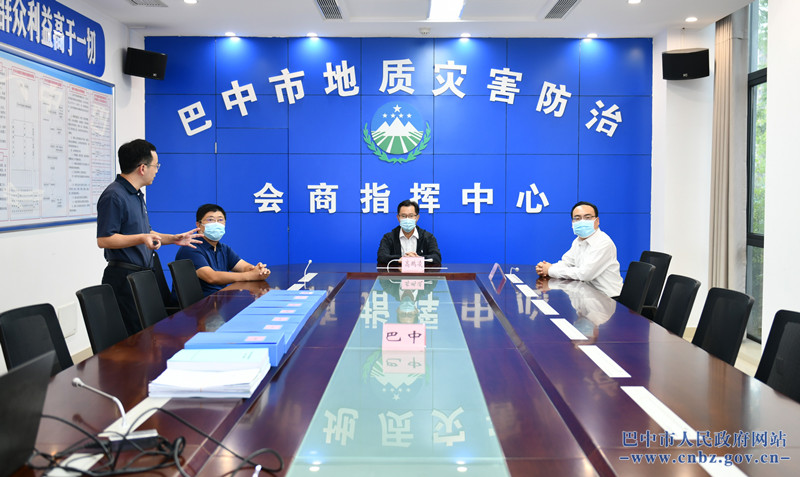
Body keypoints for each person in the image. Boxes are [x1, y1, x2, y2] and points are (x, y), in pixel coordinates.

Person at [97, 139, 201, 334]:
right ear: (142, 168)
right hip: (123, 278)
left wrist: (173, 239)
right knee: (135, 337)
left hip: (143, 275)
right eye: (156, 166)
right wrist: (140, 238)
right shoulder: (114, 195)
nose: (157, 171)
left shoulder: (136, 195)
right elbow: (104, 239)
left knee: (150, 333)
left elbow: (146, 232)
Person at [175, 203, 270, 297]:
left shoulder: (223, 248)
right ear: (198, 225)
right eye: (210, 220)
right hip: (197, 304)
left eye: (220, 220)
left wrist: (258, 270)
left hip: (218, 300)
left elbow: (244, 266)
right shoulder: (191, 247)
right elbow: (211, 277)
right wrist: (250, 276)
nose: (216, 224)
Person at [535, 201, 623, 297]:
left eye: (587, 217)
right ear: (572, 223)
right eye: (577, 218)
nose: (582, 221)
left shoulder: (603, 243)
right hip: (589, 296)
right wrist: (545, 268)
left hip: (609, 299)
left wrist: (550, 270)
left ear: (597, 221)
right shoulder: (578, 241)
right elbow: (566, 263)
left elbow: (584, 274)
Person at [377, 199, 441, 266]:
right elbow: (381, 257)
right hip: (397, 272)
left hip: (420, 273)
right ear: (398, 218)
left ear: (417, 218)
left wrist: (418, 259)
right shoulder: (389, 237)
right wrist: (400, 259)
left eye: (411, 216)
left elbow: (436, 258)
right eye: (403, 216)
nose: (407, 219)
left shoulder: (428, 237)